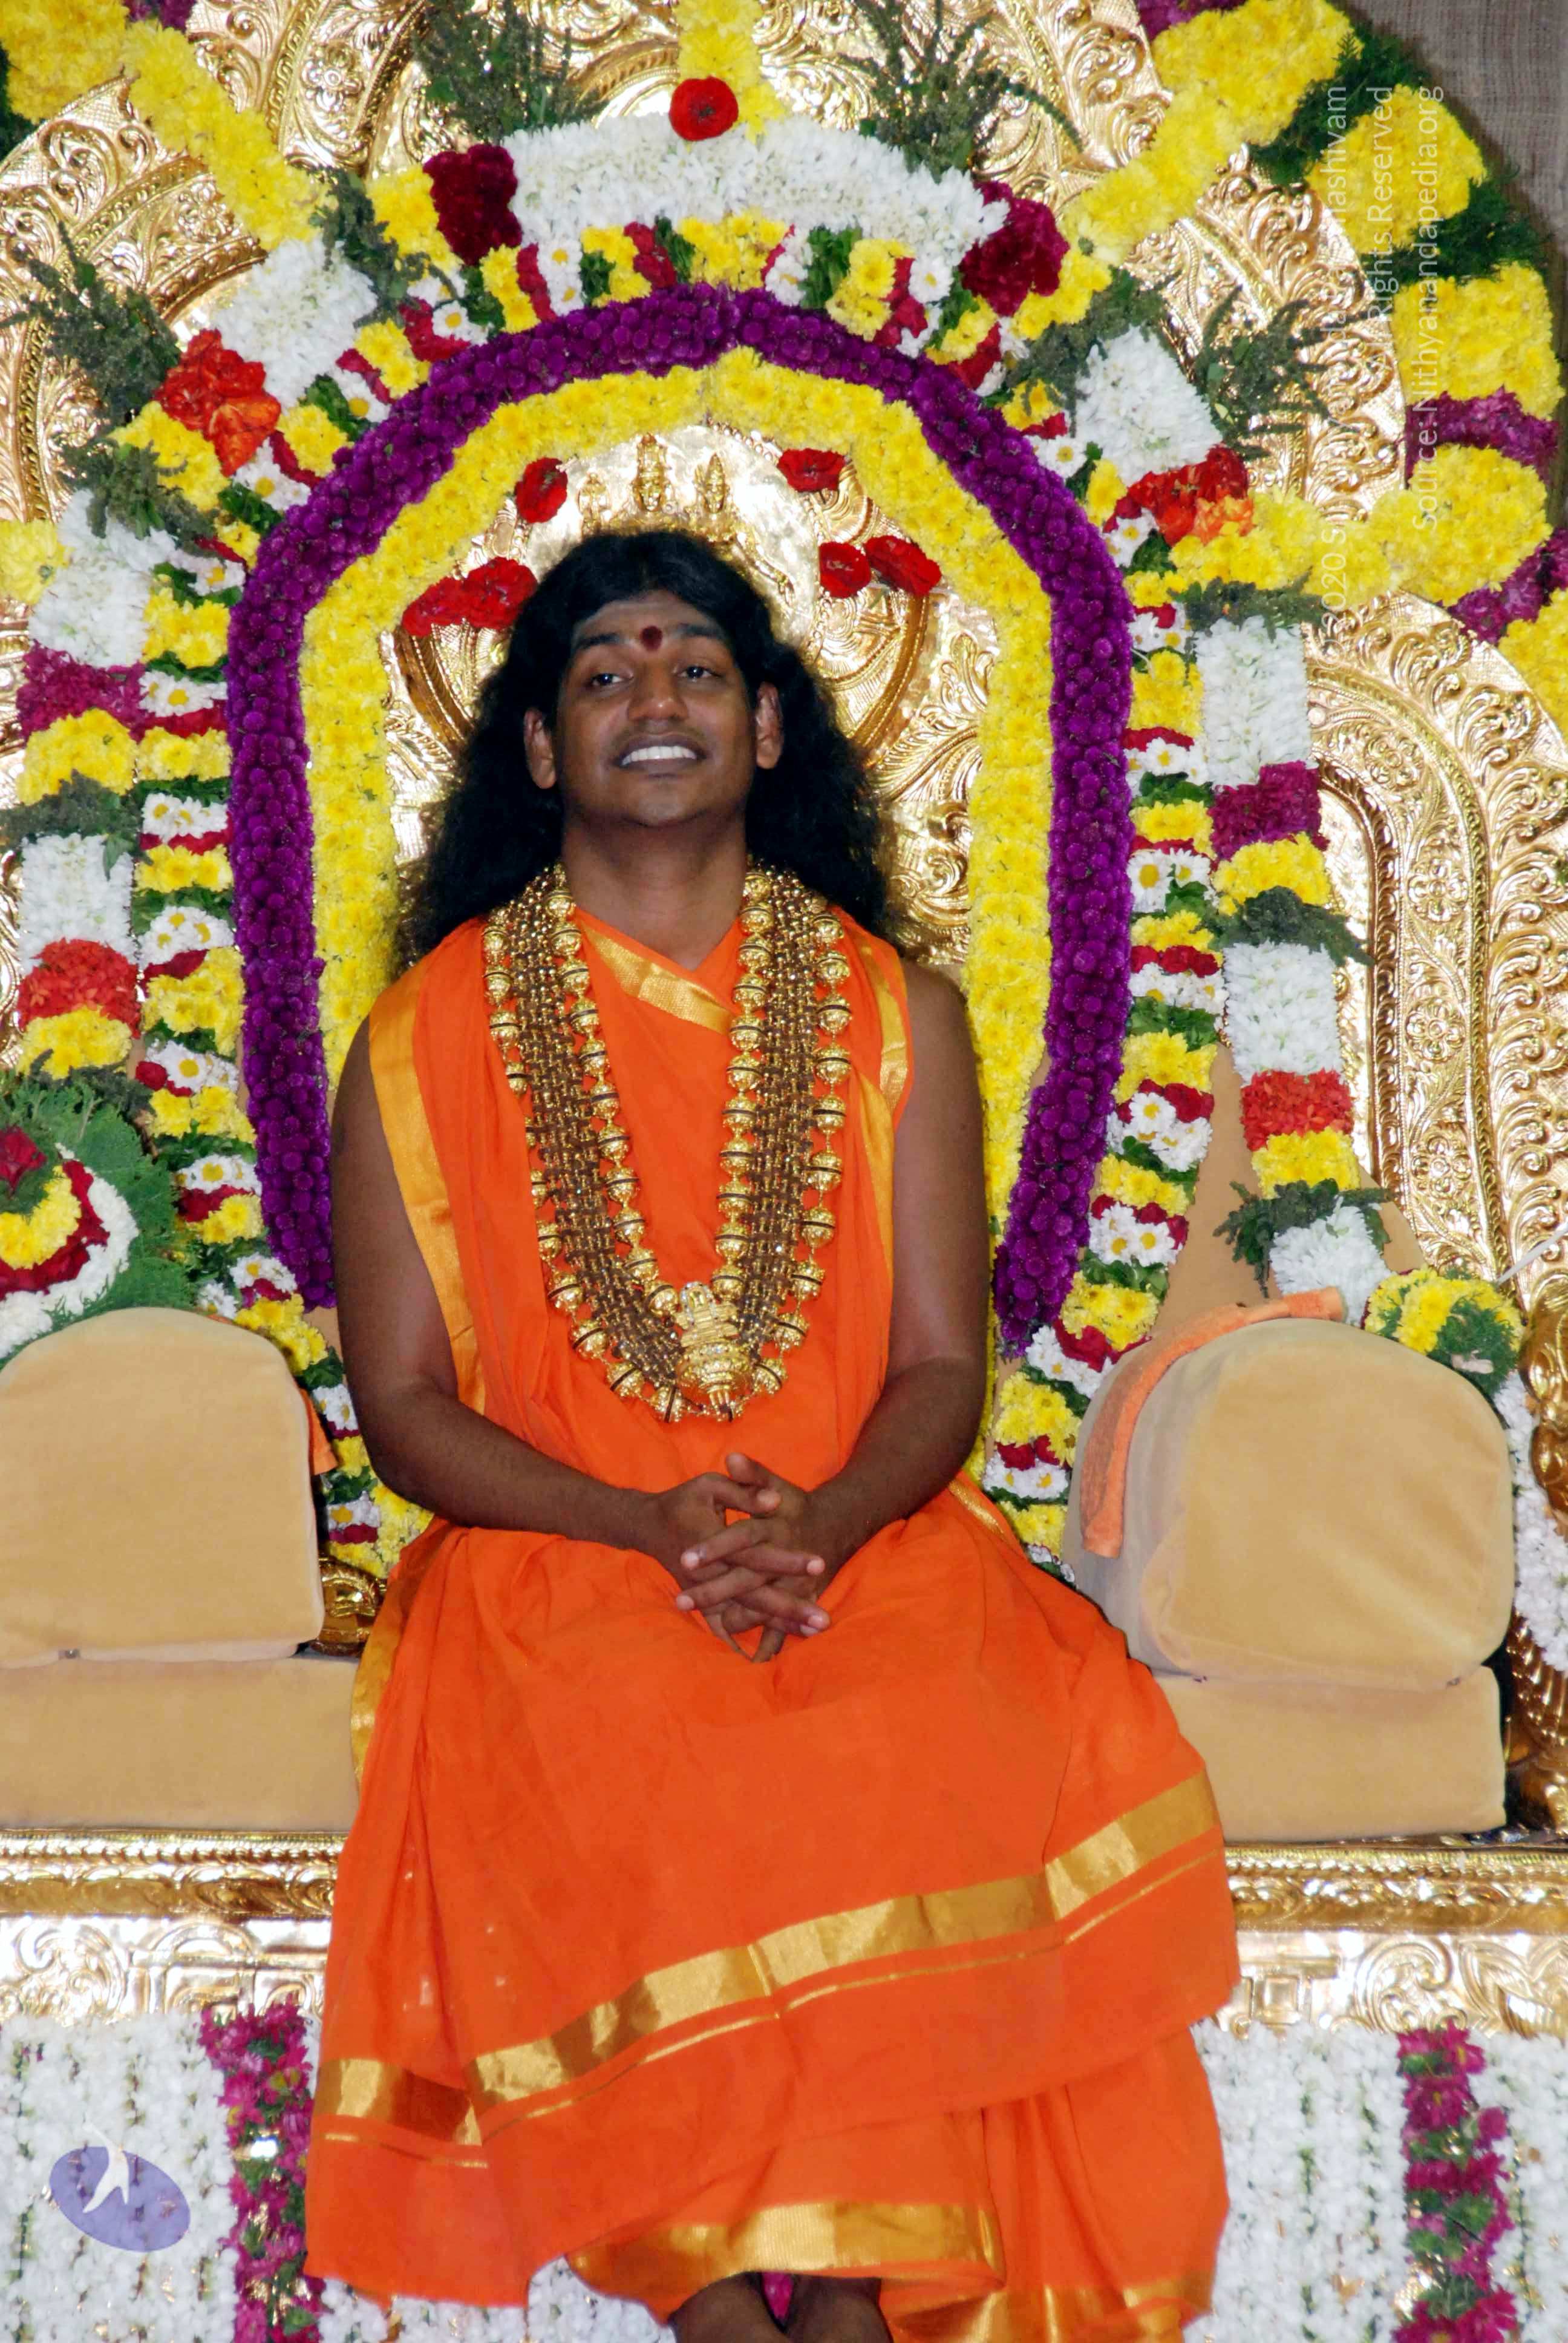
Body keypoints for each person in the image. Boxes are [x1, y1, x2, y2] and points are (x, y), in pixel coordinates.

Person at [305, 526, 1239, 2341]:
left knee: (902, 1718)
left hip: (865, 1546)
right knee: (649, 1730)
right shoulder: (424, 1037)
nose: (653, 697)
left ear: (771, 729)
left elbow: (938, 1372)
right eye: (603, 672)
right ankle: (766, 2315)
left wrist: (814, 1521)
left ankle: (824, 2308)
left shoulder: (900, 1012)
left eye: (697, 666)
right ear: (539, 749)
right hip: (558, 1564)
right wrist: (647, 1525)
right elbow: (404, 1413)